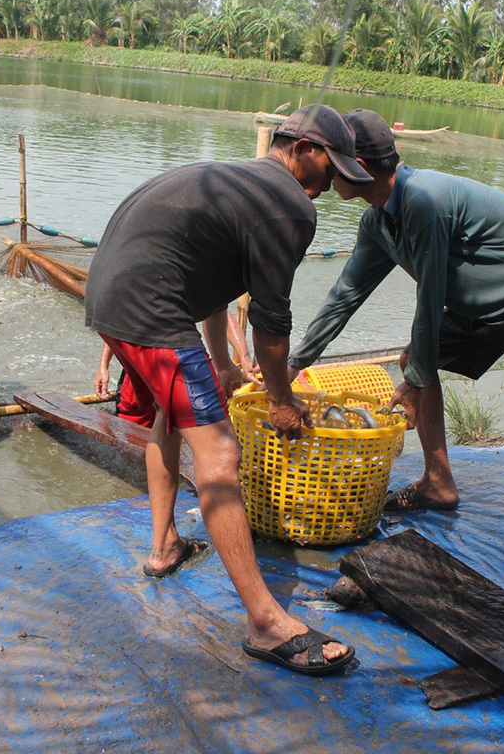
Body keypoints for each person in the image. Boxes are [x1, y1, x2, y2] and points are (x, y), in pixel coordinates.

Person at [84, 104, 372, 675]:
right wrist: (282, 400)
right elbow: (271, 323)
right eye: (332, 168)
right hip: (152, 306)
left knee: (175, 418)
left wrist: (221, 363)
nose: (332, 186)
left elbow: (211, 288)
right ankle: (265, 623)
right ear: (306, 149)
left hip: (110, 298)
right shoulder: (288, 205)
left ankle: (165, 547)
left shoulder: (235, 180)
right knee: (220, 453)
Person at [288, 109, 504, 604]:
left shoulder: (423, 200)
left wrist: (413, 376)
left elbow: (430, 297)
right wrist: (292, 365)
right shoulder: (379, 221)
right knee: (417, 357)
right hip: (480, 302)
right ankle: (438, 482)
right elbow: (346, 294)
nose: (325, 170)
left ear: (358, 166)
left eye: (332, 160)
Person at [94, 310, 252, 429]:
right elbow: (118, 322)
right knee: (133, 426)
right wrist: (103, 367)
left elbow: (220, 312)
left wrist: (245, 359)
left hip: (180, 358)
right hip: (142, 361)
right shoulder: (145, 282)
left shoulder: (192, 278)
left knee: (185, 425)